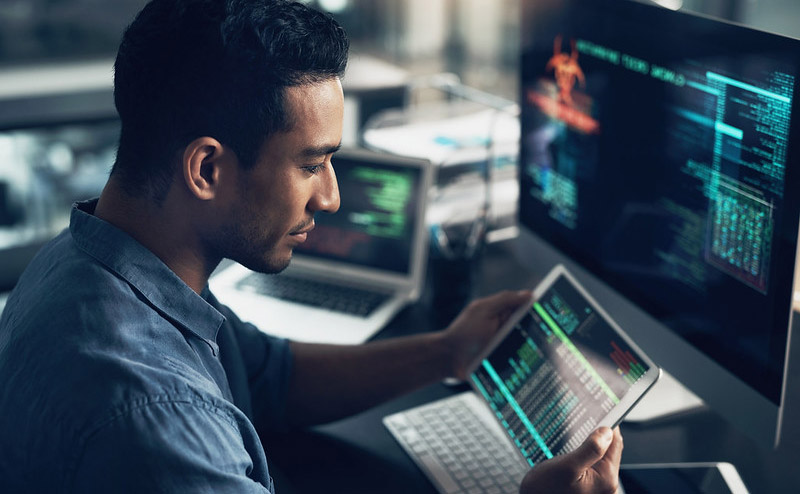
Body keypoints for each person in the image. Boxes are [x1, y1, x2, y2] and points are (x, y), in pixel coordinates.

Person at [0, 0, 623, 492]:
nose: (330, 197)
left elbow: (269, 378)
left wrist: (449, 351)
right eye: (311, 164)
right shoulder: (155, 422)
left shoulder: (91, 258)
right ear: (207, 170)